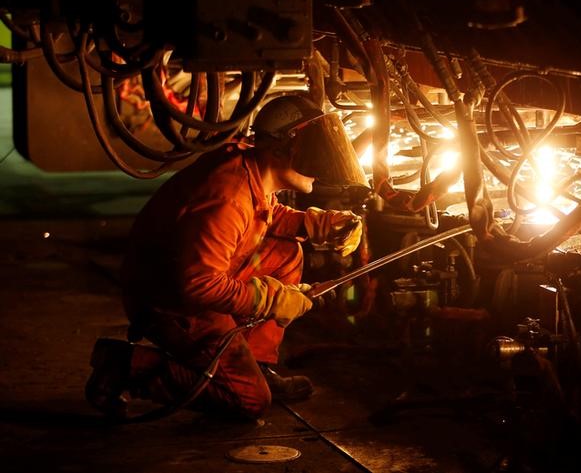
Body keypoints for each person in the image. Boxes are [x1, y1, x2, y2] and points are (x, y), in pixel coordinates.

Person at [84, 94, 369, 420]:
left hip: (191, 280)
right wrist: (268, 300)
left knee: (287, 252)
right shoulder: (228, 194)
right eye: (311, 150)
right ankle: (125, 366)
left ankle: (258, 366)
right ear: (278, 148)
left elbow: (265, 214)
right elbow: (197, 284)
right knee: (249, 401)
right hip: (170, 303)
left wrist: (313, 223)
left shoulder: (251, 169)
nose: (321, 164)